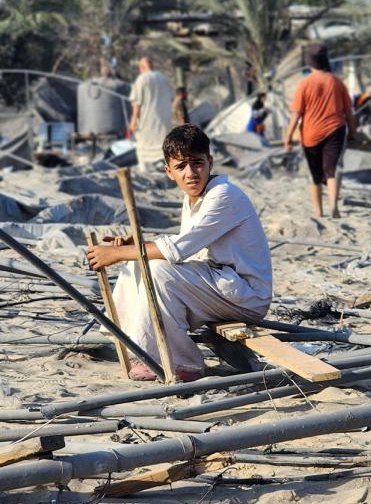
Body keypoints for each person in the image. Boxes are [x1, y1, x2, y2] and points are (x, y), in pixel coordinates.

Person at [86, 124, 272, 383]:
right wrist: (134, 246)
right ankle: (136, 345)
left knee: (158, 270)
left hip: (247, 295)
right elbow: (184, 250)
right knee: (137, 262)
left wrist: (120, 253)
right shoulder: (193, 199)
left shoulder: (224, 196)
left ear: (210, 162)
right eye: (181, 166)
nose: (190, 173)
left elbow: (178, 250)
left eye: (197, 163)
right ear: (169, 171)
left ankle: (183, 363)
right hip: (221, 285)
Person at [284, 44, 357, 218]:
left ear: (310, 63)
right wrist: (354, 132)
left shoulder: (304, 84)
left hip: (310, 135)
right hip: (335, 130)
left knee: (314, 173)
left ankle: (318, 211)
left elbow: (296, 114)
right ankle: (333, 206)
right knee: (333, 170)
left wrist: (288, 137)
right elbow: (348, 112)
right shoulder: (336, 82)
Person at [129, 56, 174, 172]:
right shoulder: (163, 78)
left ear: (141, 67)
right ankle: (168, 167)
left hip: (147, 120)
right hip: (164, 119)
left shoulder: (142, 79)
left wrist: (133, 121)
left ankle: (145, 169)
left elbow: (137, 103)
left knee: (143, 146)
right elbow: (171, 98)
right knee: (164, 143)